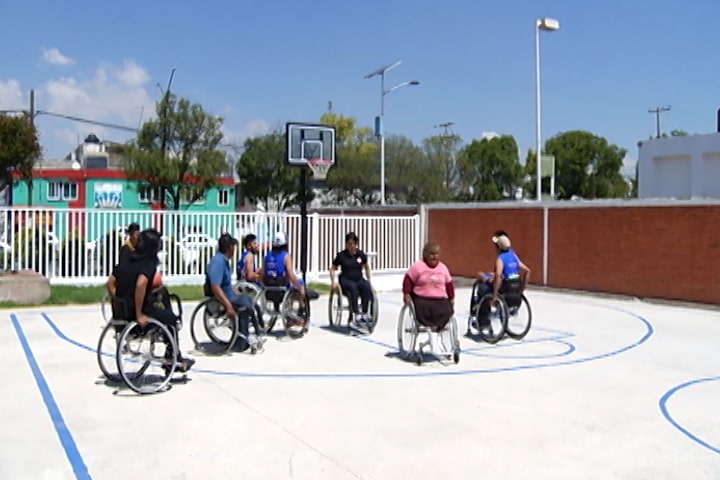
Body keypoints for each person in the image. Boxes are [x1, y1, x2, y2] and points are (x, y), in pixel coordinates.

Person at [107, 228, 195, 372]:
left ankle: (172, 356)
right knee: (171, 320)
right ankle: (173, 358)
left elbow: (110, 283)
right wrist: (139, 313)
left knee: (161, 301)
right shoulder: (148, 263)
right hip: (138, 313)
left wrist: (118, 300)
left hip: (123, 313)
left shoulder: (127, 260)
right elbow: (140, 284)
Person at [205, 233, 257, 352]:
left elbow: (227, 285)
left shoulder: (223, 260)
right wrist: (228, 306)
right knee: (245, 304)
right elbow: (215, 287)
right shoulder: (218, 262)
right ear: (230, 247)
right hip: (222, 299)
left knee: (249, 301)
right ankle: (241, 342)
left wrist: (238, 293)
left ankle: (252, 334)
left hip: (229, 295)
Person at [402, 241, 455, 351]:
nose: (434, 256)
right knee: (426, 310)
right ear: (425, 254)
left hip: (439, 300)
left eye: (436, 254)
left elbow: (449, 284)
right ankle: (433, 338)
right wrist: (406, 294)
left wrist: (451, 298)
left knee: (447, 310)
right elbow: (408, 280)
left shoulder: (443, 268)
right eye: (431, 254)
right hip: (422, 299)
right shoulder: (418, 267)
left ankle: (436, 336)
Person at [473, 233, 531, 327]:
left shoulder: (500, 259)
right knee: (488, 275)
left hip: (503, 286)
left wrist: (495, 297)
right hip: (514, 286)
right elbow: (528, 271)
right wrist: (521, 291)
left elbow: (499, 276)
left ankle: (483, 320)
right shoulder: (513, 255)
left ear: (498, 248)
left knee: (481, 285)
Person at [329, 232, 373, 330]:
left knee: (366, 287)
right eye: (349, 244)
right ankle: (355, 314)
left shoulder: (360, 254)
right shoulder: (341, 255)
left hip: (359, 279)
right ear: (346, 244)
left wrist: (369, 279)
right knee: (353, 288)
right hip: (346, 279)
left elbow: (366, 267)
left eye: (354, 244)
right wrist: (333, 281)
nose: (352, 246)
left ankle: (364, 313)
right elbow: (332, 268)